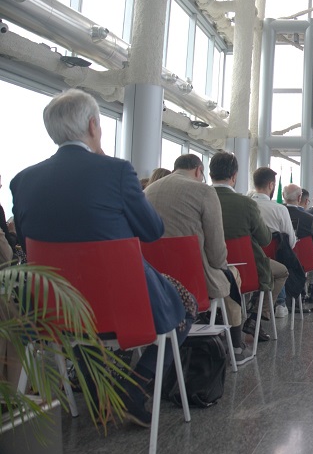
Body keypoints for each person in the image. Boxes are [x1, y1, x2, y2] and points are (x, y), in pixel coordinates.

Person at [10, 89, 192, 427]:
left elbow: (26, 241)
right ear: (94, 125)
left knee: (82, 315)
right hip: (122, 303)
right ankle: (133, 388)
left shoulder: (22, 180)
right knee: (185, 307)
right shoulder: (116, 172)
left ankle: (98, 384)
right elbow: (152, 231)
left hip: (56, 311)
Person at [144, 154, 252, 355]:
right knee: (232, 275)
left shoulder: (149, 190)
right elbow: (217, 254)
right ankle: (236, 344)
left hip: (156, 280)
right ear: (197, 171)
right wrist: (222, 265)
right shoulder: (204, 191)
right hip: (195, 281)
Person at [210, 152, 289, 344]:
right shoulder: (246, 203)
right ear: (234, 176)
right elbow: (264, 239)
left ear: (209, 173)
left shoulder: (198, 198)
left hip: (207, 268)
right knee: (281, 272)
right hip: (248, 269)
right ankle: (255, 316)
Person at [249, 167, 303, 318]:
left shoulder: (245, 205)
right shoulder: (280, 209)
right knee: (283, 261)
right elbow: (291, 242)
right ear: (272, 185)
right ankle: (279, 303)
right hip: (270, 263)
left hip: (243, 262)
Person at [283, 183, 313, 307]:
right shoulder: (310, 218)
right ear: (300, 198)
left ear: (283, 195)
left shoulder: (278, 212)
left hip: (282, 255)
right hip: (306, 257)